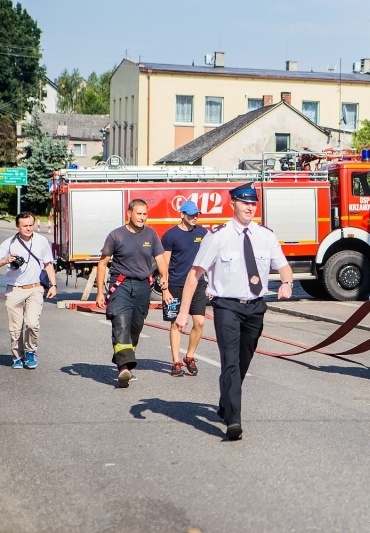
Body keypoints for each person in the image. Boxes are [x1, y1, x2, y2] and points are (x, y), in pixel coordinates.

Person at [175, 183, 293, 441]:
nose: (250, 208)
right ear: (233, 204)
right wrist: (183, 312)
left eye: (253, 203)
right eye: (244, 203)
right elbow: (194, 276)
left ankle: (225, 402)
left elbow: (284, 267)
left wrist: (287, 282)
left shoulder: (266, 235)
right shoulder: (217, 236)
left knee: (242, 362)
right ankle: (234, 420)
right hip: (226, 306)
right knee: (230, 361)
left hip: (256, 307)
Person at [96, 199, 169, 388]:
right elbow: (102, 264)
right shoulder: (116, 235)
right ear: (129, 213)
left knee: (135, 327)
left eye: (145, 214)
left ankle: (126, 362)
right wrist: (99, 293)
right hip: (121, 285)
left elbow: (161, 260)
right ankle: (123, 368)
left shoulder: (151, 235)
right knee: (120, 322)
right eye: (139, 214)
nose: (142, 218)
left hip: (143, 287)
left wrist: (165, 282)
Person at [0, 212, 57, 369]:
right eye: (24, 226)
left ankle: (30, 351)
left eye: (31, 225)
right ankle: (17, 356)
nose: (28, 228)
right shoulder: (10, 243)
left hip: (35, 288)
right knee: (15, 328)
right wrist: (6, 260)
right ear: (17, 226)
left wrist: (53, 285)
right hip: (15, 290)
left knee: (32, 324)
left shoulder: (41, 241)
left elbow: (48, 264)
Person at [161, 200, 208, 377]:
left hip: (198, 284)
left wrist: (212, 283)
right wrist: (165, 288)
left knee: (199, 322)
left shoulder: (203, 233)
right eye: (191, 215)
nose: (195, 218)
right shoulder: (171, 236)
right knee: (176, 324)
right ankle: (176, 361)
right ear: (182, 215)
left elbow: (209, 259)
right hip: (176, 284)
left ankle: (189, 355)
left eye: (196, 215)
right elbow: (164, 263)